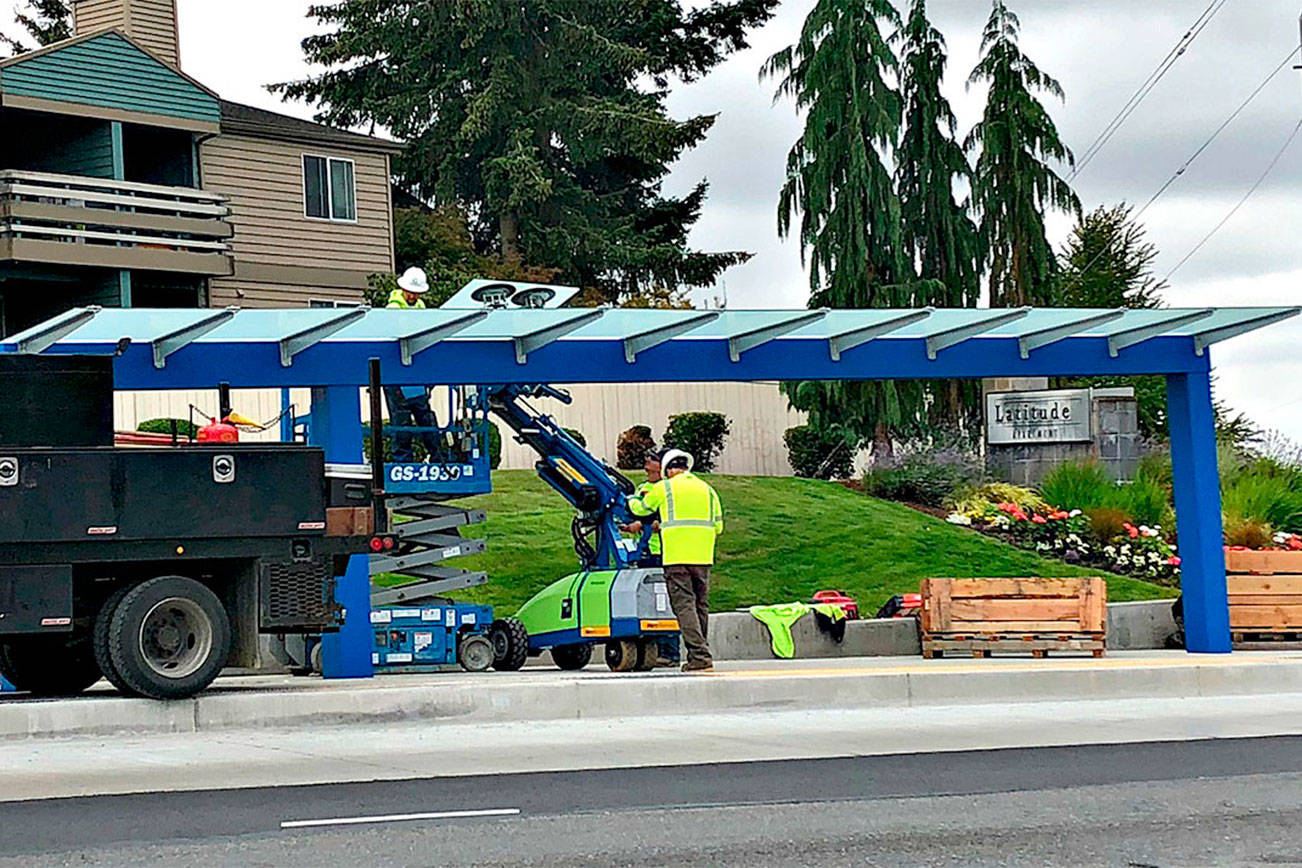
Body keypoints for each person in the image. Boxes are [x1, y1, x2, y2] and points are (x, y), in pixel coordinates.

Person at [627, 448, 723, 672]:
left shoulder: (665, 487)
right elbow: (718, 526)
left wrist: (630, 498)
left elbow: (640, 508)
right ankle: (699, 652)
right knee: (701, 605)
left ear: (667, 469)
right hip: (703, 556)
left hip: (677, 557)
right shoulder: (708, 490)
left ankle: (700, 656)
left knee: (684, 605)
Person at [624, 449, 680, 667]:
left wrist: (644, 525)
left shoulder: (666, 490)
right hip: (644, 552)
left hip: (662, 553)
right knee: (648, 603)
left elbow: (663, 520)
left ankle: (670, 652)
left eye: (653, 461)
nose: (647, 464)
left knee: (663, 602)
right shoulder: (643, 489)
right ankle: (654, 650)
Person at [384, 267, 440, 462]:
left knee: (425, 416)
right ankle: (402, 461)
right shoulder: (392, 310)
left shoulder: (421, 308)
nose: (414, 296)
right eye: (412, 292)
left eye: (417, 293)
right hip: (397, 373)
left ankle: (438, 457)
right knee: (401, 419)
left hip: (415, 372)